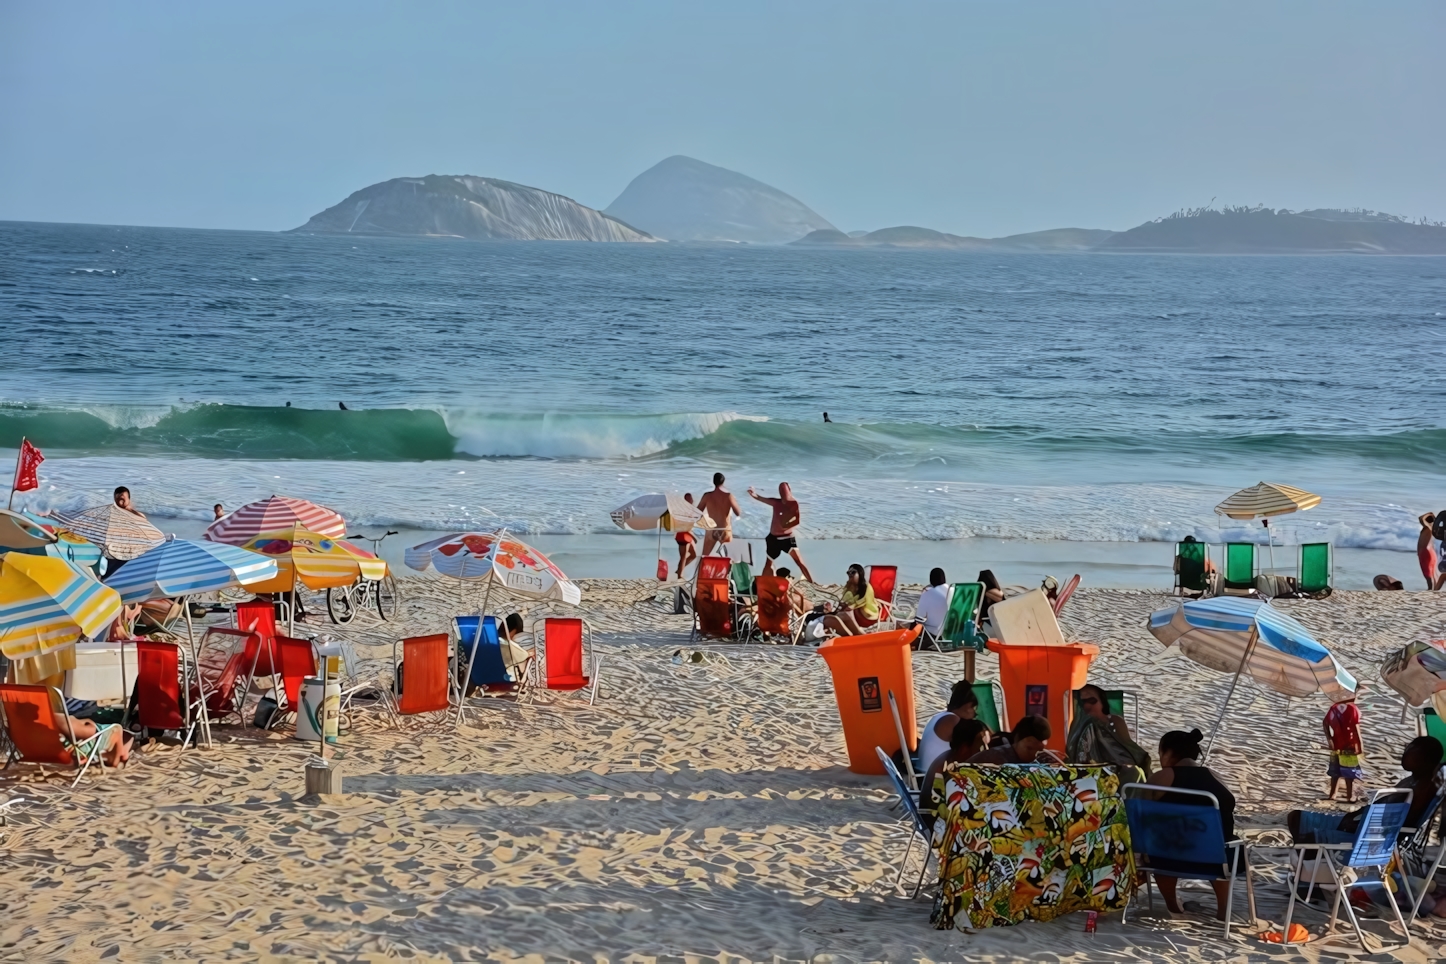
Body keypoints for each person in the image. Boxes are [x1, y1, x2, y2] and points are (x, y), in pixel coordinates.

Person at [1144, 728, 1241, 920]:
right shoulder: (1217, 778)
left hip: (1168, 858)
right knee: (1226, 843)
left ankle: (1173, 906)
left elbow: (1141, 814)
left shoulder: (1161, 778)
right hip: (1215, 859)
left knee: (1158, 842)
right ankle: (1223, 910)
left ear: (1169, 753)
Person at [1289, 737, 1444, 852]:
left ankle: (1313, 874)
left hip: (1371, 838)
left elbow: (1400, 824)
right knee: (1296, 817)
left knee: (1307, 840)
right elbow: (1384, 803)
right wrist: (1354, 815)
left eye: (1412, 750)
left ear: (1426, 759)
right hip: (1363, 825)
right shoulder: (1412, 780)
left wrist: (1356, 826)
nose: (1406, 753)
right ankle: (1313, 869)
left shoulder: (1424, 789)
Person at [920, 718, 991, 827]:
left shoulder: (949, 758)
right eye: (981, 746)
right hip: (938, 828)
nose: (986, 751)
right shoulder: (950, 769)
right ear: (964, 748)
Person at [1065, 683, 1151, 773]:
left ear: (1102, 702)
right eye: (1083, 702)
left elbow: (1127, 746)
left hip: (1117, 765)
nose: (1087, 706)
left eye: (1092, 701)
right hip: (1089, 767)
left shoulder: (1115, 721)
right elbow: (1075, 753)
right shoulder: (1079, 725)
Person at [749, 482, 813, 583]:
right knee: (768, 563)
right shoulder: (776, 503)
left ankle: (812, 583)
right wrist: (753, 494)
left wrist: (787, 525)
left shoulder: (793, 503)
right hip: (773, 539)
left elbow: (797, 520)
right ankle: (762, 585)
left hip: (787, 538)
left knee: (799, 561)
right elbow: (761, 498)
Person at [918, 681, 980, 773]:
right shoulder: (953, 720)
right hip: (933, 779)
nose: (976, 714)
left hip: (923, 773)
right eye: (975, 708)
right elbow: (966, 752)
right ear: (968, 706)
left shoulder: (940, 716)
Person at [1322, 691, 1365, 802]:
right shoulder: (1353, 709)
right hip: (1349, 745)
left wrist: (1329, 739)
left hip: (1336, 744)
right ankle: (1350, 796)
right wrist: (1360, 745)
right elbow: (1356, 729)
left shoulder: (1333, 708)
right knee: (1349, 772)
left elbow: (1325, 723)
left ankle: (1333, 794)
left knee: (1335, 771)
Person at [967, 715, 1054, 765]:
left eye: (1039, 751)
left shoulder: (1037, 762)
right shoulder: (996, 759)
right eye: (1030, 749)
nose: (1034, 756)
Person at [823, 564, 880, 636]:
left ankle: (858, 633)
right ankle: (844, 632)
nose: (850, 575)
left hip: (868, 615)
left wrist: (851, 606)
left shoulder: (866, 586)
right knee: (840, 613)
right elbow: (843, 598)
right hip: (855, 615)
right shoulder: (849, 586)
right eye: (848, 573)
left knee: (848, 611)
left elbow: (864, 600)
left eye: (853, 572)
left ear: (860, 573)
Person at [697, 473, 741, 557]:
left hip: (712, 530)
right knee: (728, 558)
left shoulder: (707, 496)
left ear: (713, 482)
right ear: (723, 482)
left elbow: (698, 512)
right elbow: (738, 513)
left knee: (705, 557)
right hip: (725, 530)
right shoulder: (728, 496)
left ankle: (702, 569)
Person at [912, 568, 950, 647]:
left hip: (934, 634)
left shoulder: (928, 593)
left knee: (914, 625)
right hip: (952, 633)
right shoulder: (954, 590)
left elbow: (919, 618)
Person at [674, 493, 698, 578]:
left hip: (685, 535)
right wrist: (694, 537)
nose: (693, 500)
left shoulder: (685, 510)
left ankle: (679, 570)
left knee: (693, 554)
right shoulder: (686, 511)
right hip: (684, 536)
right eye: (691, 499)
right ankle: (680, 575)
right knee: (683, 557)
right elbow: (685, 527)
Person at [1420, 513, 1440, 590]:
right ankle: (1435, 588)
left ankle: (1430, 588)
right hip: (1430, 551)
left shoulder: (1429, 527)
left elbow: (1421, 518)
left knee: (1427, 572)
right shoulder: (1431, 527)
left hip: (1425, 551)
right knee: (1432, 572)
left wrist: (1430, 514)